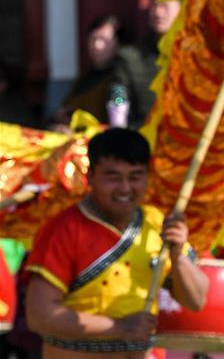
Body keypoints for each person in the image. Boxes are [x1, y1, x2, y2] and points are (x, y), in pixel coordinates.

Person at [25, 127, 208, 358]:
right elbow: (40, 316)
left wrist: (177, 255)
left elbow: (196, 301)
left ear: (148, 177)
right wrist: (119, 328)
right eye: (113, 177)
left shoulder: (157, 223)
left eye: (135, 177)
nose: (125, 188)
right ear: (90, 176)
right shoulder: (63, 230)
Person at [111, 0, 182, 128]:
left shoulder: (195, 55)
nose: (158, 13)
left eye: (165, 6)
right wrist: (118, 118)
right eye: (154, 6)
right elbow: (118, 90)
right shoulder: (131, 56)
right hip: (143, 131)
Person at [55, 14, 123, 125]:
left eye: (104, 40)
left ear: (118, 43)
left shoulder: (120, 80)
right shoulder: (84, 77)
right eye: (93, 38)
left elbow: (119, 114)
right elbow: (65, 109)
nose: (97, 45)